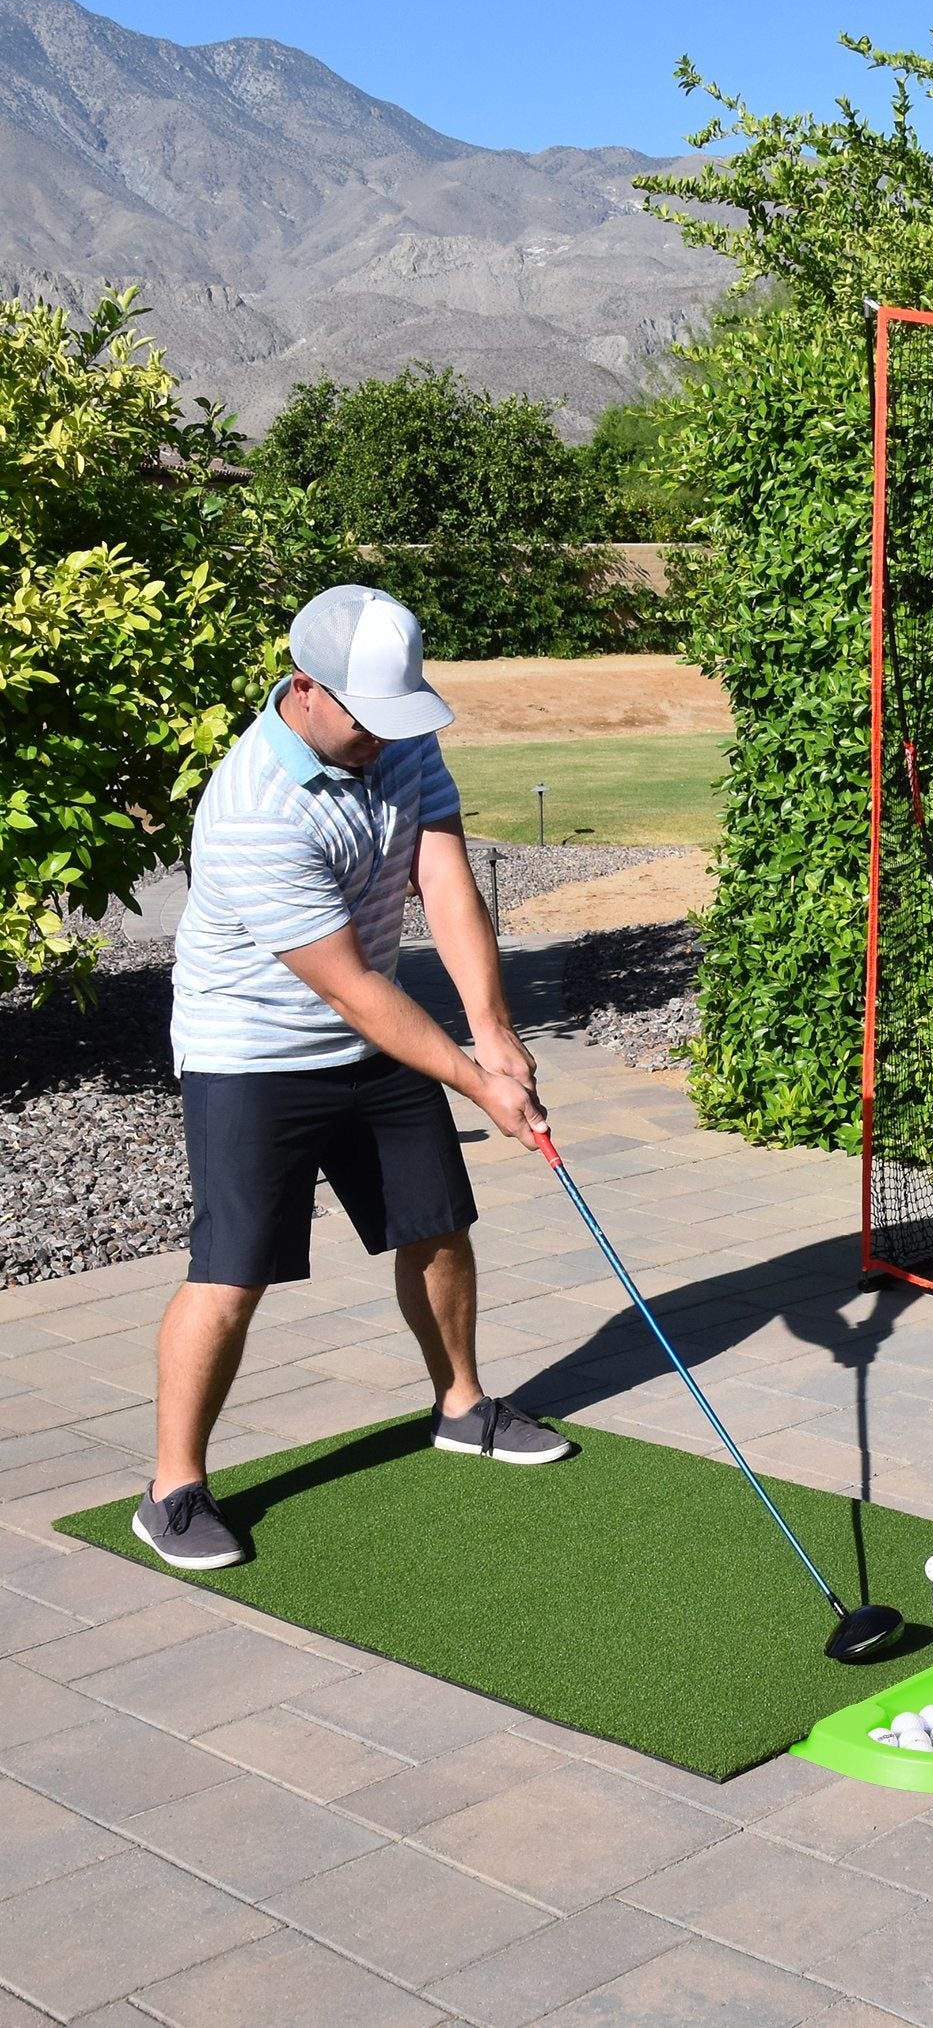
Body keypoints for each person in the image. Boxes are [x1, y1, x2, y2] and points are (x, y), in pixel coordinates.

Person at [134, 586, 570, 1571]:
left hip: (373, 1035)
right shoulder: (254, 810)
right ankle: (172, 1488)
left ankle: (461, 1404)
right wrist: (474, 1080)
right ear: (305, 690)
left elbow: (445, 879)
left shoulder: (397, 734)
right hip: (253, 1051)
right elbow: (355, 989)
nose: (387, 736)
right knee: (233, 1270)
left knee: (435, 1224)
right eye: (369, 719)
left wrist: (495, 1033)